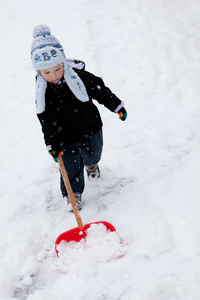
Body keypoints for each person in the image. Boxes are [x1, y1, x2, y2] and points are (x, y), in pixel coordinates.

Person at [31, 24, 127, 211]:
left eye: (56, 69)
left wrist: (116, 106)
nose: (53, 76)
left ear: (62, 62)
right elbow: (46, 121)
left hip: (89, 125)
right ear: (39, 72)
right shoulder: (43, 92)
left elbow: (100, 90)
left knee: (93, 152)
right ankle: (73, 194)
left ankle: (91, 165)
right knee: (69, 165)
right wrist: (52, 144)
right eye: (46, 72)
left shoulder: (79, 76)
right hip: (64, 135)